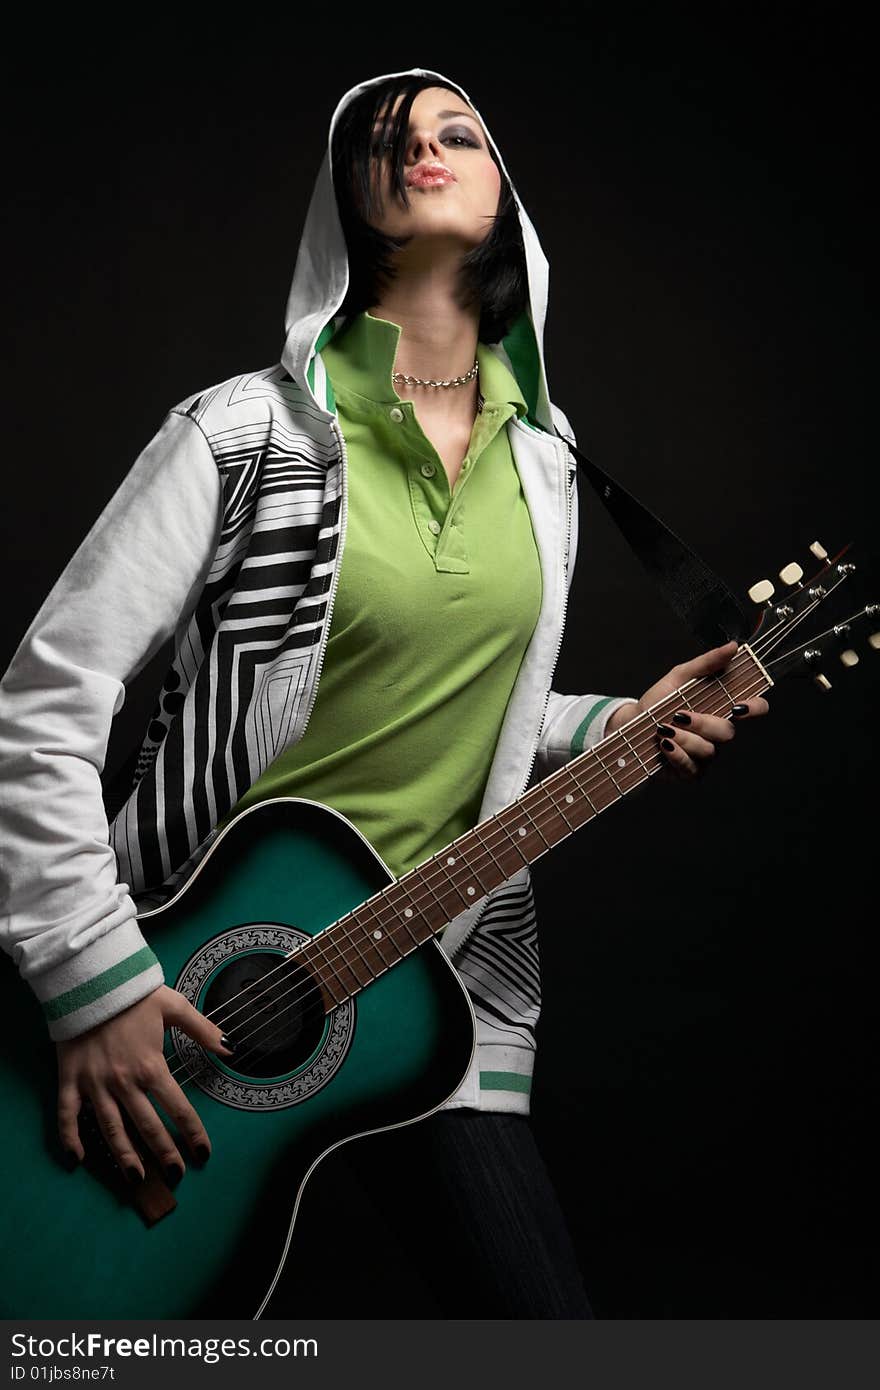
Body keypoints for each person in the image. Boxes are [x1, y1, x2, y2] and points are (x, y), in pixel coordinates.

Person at [0, 68, 768, 1317]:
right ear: (344, 198)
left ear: (504, 192)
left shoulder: (547, 460)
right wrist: (95, 981)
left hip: (425, 989)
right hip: (179, 988)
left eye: (455, 131)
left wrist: (612, 725)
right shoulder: (244, 432)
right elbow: (45, 700)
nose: (421, 147)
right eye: (384, 139)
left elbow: (473, 704)